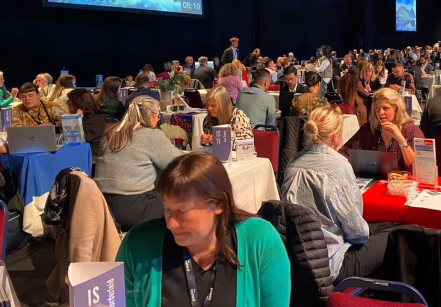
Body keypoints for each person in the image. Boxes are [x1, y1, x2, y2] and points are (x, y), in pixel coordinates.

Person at [116, 152, 291, 307]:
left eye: (183, 211)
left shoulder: (260, 240)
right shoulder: (137, 245)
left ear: (218, 205)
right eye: (167, 209)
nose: (171, 224)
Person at [282, 106, 377, 282]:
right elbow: (357, 233)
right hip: (329, 262)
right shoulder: (338, 166)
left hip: (295, 258)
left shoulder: (293, 162)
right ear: (335, 136)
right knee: (393, 235)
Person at [94, 96, 183, 230]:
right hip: (135, 208)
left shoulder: (110, 133)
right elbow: (180, 164)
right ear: (151, 116)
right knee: (182, 198)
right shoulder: (151, 136)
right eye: (158, 115)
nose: (158, 119)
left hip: (103, 207)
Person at [340, 88, 423, 172]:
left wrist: (400, 139)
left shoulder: (411, 131)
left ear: (396, 109)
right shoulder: (370, 129)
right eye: (377, 108)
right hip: (373, 178)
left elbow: (417, 165)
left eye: (385, 108)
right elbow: (345, 153)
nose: (380, 113)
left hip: (402, 179)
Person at [66, 88, 106, 156]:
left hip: (91, 155)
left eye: (70, 101)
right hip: (81, 152)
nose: (68, 103)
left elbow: (76, 138)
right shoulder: (91, 117)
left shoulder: (96, 119)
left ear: (78, 103)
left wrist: (77, 119)